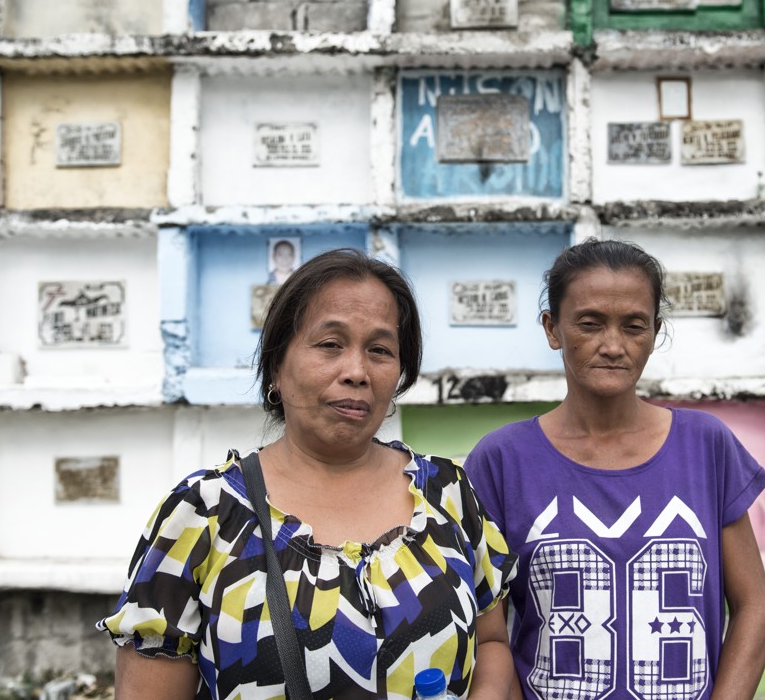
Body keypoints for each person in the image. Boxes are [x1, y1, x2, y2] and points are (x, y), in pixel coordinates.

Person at [99, 248, 518, 700]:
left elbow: (491, 640)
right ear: (277, 365)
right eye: (330, 345)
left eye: (380, 350)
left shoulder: (448, 492)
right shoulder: (202, 515)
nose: (357, 372)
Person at [463, 238, 765, 700]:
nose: (613, 345)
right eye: (590, 324)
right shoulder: (500, 460)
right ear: (553, 329)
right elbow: (489, 636)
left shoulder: (706, 446)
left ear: (655, 330)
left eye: (634, 326)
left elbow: (754, 606)